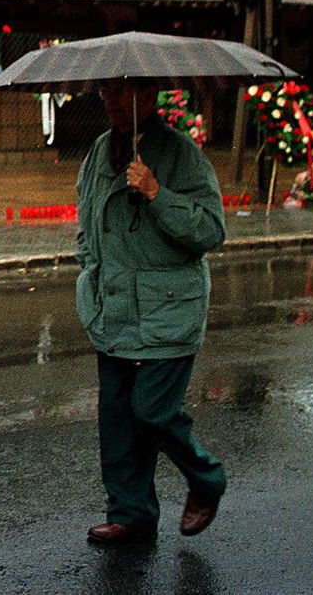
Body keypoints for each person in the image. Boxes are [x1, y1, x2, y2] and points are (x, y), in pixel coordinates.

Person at [76, 80, 228, 545]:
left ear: (153, 97)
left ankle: (206, 478)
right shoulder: (101, 151)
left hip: (167, 310)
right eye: (108, 95)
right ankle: (131, 513)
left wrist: (159, 193)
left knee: (153, 410)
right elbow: (88, 222)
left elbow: (210, 231)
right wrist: (91, 273)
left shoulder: (181, 153)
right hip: (114, 308)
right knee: (117, 417)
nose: (116, 104)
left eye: (127, 95)